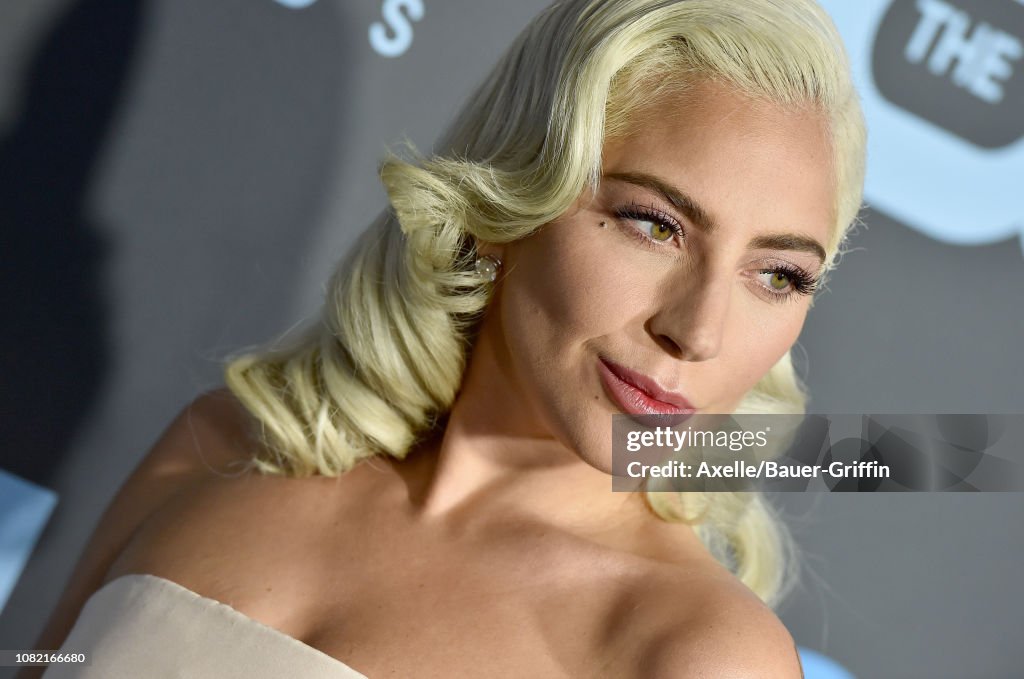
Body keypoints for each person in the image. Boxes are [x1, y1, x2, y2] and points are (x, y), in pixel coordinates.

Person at [26, 0, 865, 676]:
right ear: (509, 202)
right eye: (654, 225)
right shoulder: (220, 442)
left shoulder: (695, 656)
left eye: (778, 275)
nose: (698, 331)